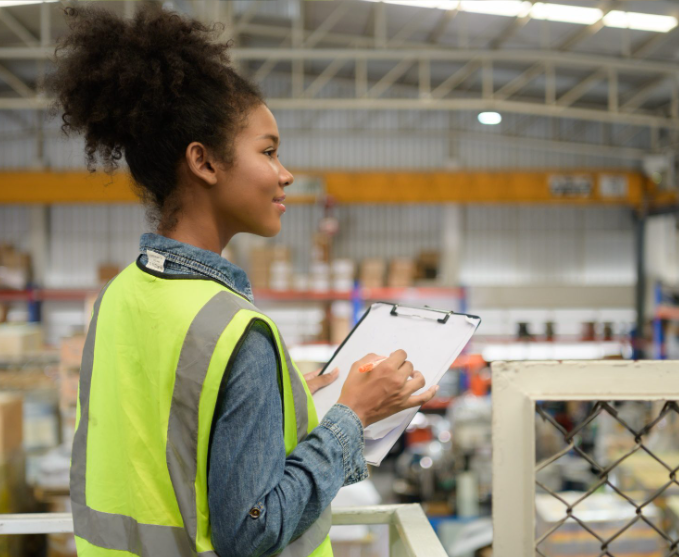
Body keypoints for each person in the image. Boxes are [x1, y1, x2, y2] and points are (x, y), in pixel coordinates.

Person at [46, 4, 438, 557]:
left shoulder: (118, 297)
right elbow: (250, 528)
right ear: (204, 163)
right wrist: (353, 417)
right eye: (269, 151)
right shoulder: (234, 333)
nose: (286, 173)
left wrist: (281, 401)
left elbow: (162, 440)